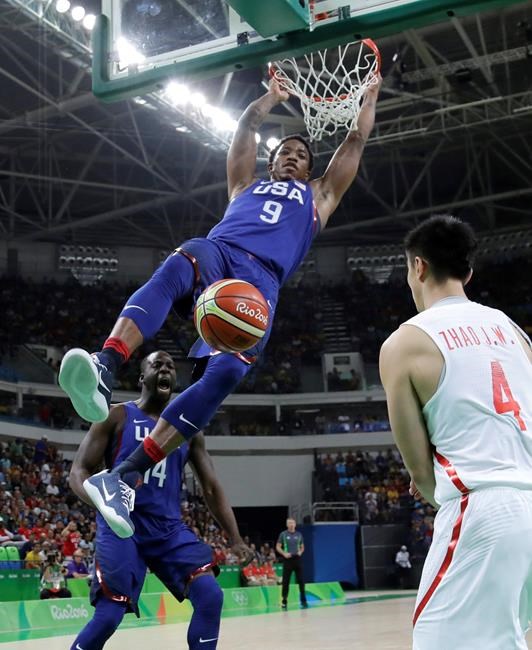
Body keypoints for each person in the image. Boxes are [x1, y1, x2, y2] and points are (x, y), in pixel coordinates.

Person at [58, 73, 382, 538]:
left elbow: (355, 139)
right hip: (220, 251)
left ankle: (122, 477)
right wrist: (268, 99)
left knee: (228, 372)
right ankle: (106, 365)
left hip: (259, 283)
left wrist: (367, 100)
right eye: (284, 152)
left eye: (301, 155)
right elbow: (246, 129)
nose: (291, 156)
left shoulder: (319, 196)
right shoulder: (242, 187)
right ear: (272, 162)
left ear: (311, 169)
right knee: (183, 257)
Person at [379, 215, 532, 650]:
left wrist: (435, 482)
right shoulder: (514, 331)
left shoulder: (404, 343)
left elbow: (420, 470)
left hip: (485, 510)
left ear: (419, 268)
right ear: (468, 271)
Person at [68, 350, 251, 650]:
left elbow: (211, 487)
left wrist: (235, 538)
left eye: (170, 366)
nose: (165, 370)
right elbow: (78, 471)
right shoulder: (116, 415)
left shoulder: (189, 430)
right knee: (109, 616)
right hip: (122, 526)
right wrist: (103, 502)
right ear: (143, 377)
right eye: (157, 365)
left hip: (167, 528)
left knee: (210, 596)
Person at [276, 518, 307, 610]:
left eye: (292, 523)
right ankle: (284, 600)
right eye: (289, 523)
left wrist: (301, 552)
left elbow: (302, 547)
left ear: (295, 524)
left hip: (297, 559)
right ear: (287, 525)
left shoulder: (299, 534)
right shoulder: (283, 534)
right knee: (286, 581)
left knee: (301, 580)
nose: (291, 525)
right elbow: (278, 547)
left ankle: (303, 600)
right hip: (288, 560)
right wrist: (284, 553)